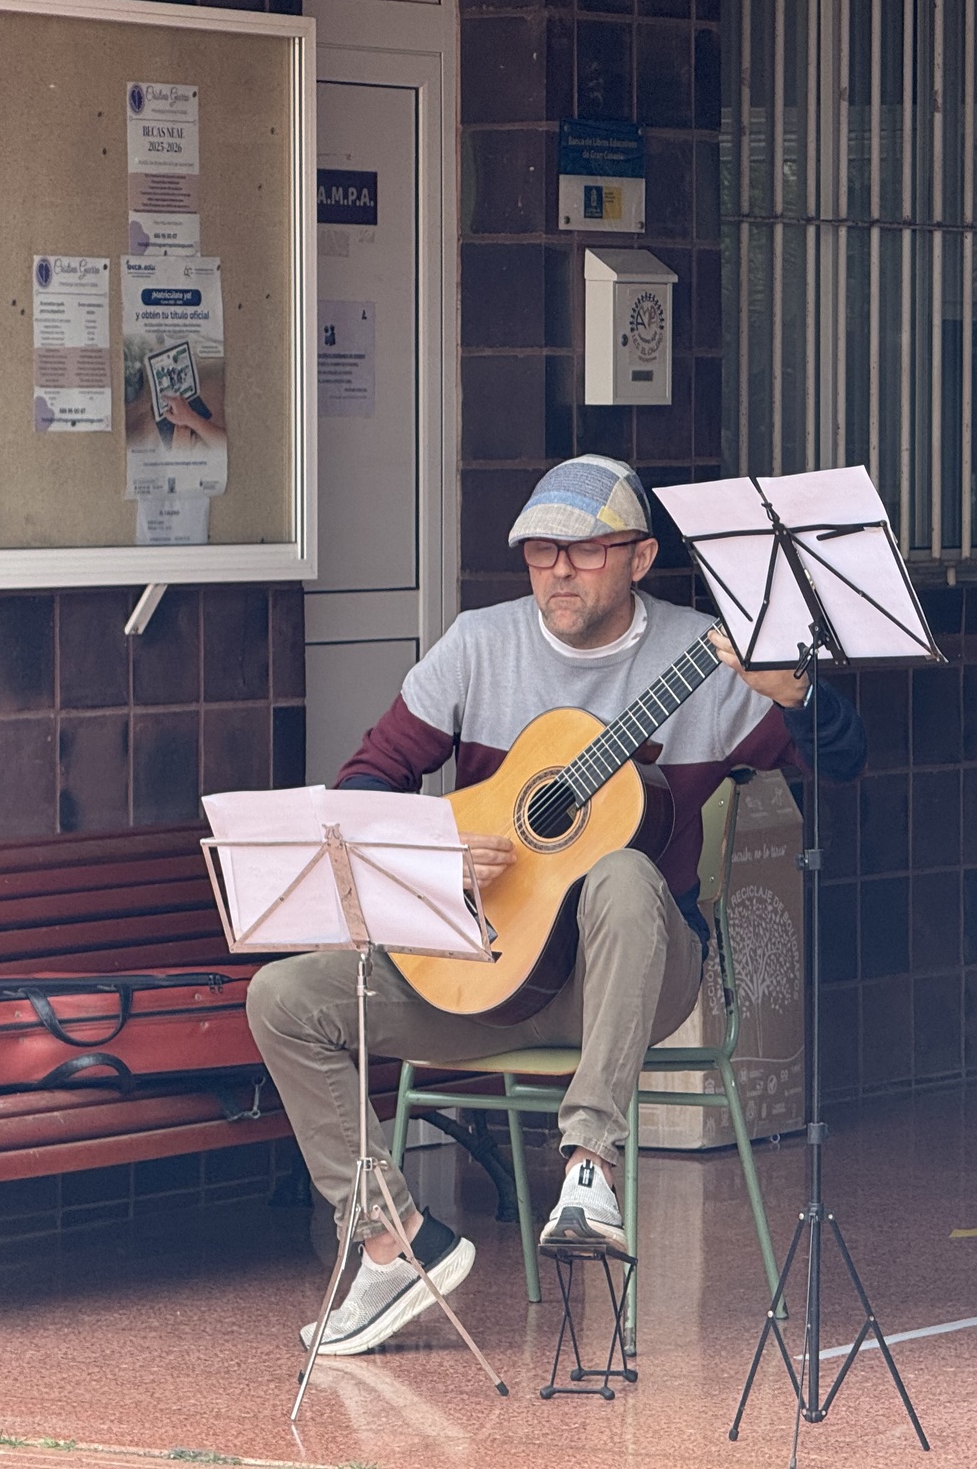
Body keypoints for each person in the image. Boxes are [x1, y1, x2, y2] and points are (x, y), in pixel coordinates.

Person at [248, 453, 867, 1357]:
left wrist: (800, 694)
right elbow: (367, 782)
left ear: (641, 558)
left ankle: (588, 1167)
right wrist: (435, 853)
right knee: (283, 998)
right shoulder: (479, 646)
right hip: (488, 972)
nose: (558, 572)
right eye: (540, 553)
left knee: (620, 874)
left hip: (634, 975)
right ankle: (393, 1241)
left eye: (584, 551)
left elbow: (845, 764)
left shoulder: (708, 653)